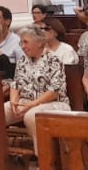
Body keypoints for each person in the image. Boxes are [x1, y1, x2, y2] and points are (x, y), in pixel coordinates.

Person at [7, 27, 67, 155]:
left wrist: (32, 104)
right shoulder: (23, 60)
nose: (22, 46)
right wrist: (13, 101)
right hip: (26, 102)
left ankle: (43, 157)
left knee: (32, 116)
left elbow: (54, 90)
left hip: (53, 103)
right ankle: (1, 157)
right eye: (21, 43)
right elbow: (15, 83)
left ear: (39, 43)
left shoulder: (53, 59)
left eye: (25, 42)